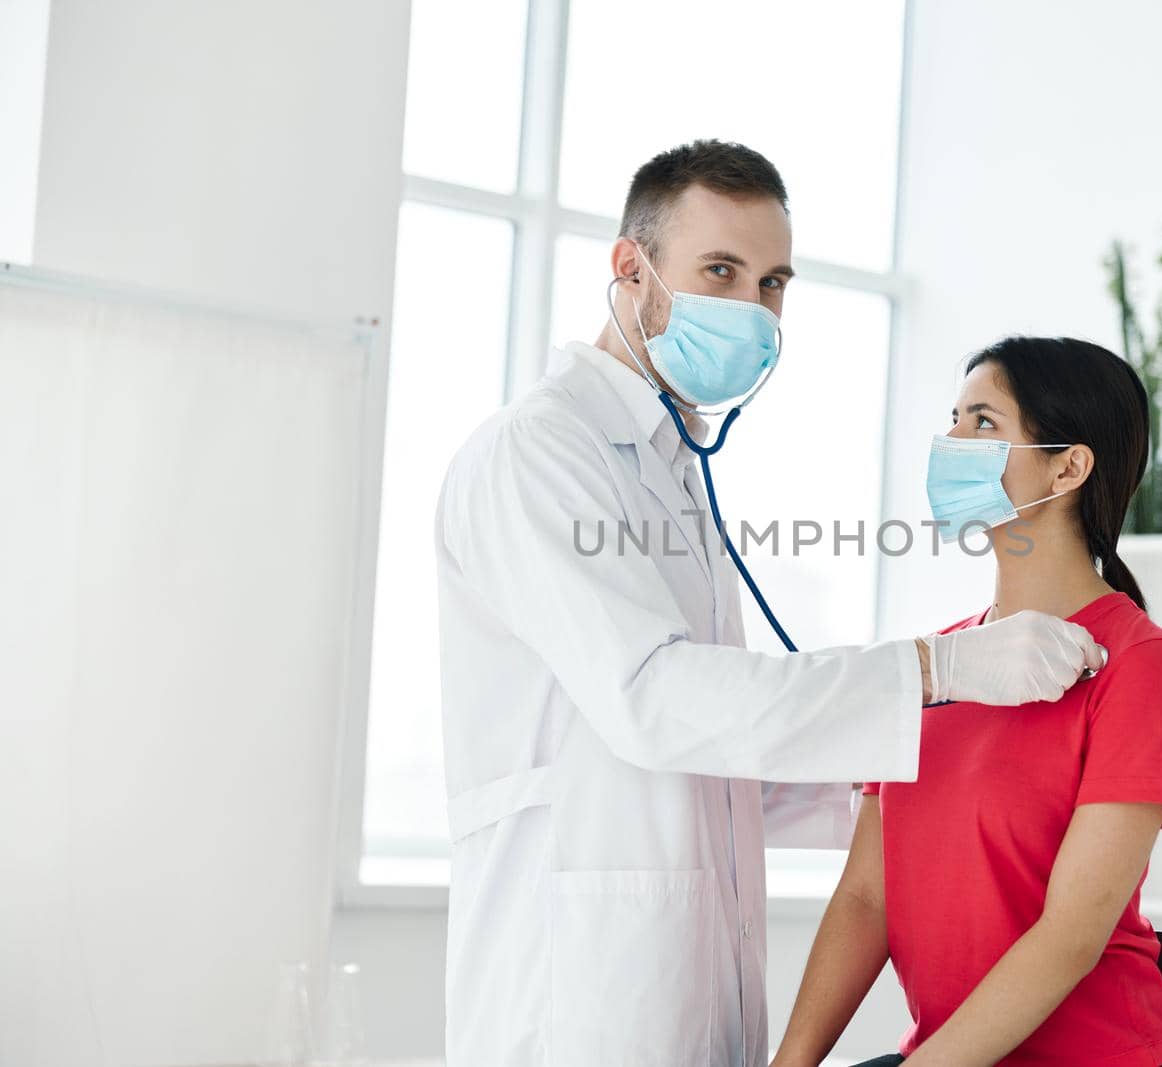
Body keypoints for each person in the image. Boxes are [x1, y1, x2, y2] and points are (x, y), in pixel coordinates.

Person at [434, 143, 1106, 1065]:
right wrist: (932, 669)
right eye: (722, 271)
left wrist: (929, 781)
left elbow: (726, 764)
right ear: (630, 269)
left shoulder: (670, 469)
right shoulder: (537, 455)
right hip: (577, 996)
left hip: (688, 984)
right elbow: (655, 700)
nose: (752, 309)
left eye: (773, 282)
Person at [772, 336, 1162, 1067]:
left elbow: (1071, 932)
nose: (951, 441)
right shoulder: (938, 666)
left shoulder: (1140, 662)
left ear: (1068, 465)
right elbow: (867, 899)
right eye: (954, 418)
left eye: (983, 423)